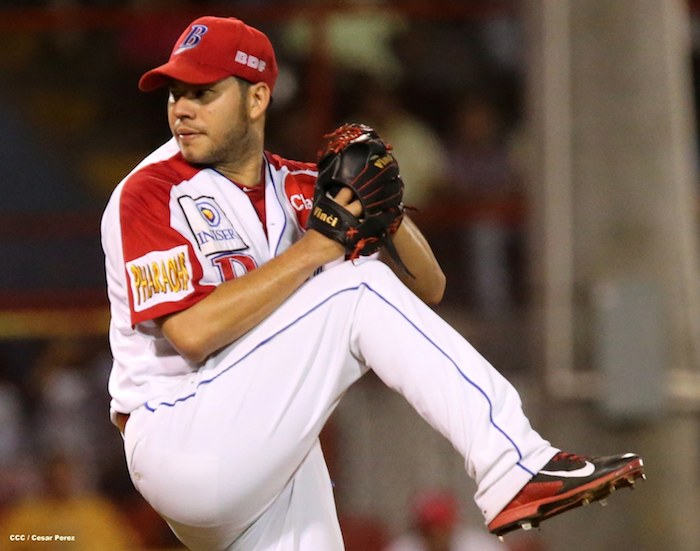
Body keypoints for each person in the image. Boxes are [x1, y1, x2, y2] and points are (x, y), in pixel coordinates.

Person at [100, 15, 645, 551]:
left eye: (203, 92)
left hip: (263, 449)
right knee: (357, 285)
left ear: (257, 98)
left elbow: (428, 287)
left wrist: (388, 206)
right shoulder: (150, 191)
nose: (182, 108)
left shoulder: (298, 186)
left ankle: (515, 466)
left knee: (362, 285)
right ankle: (513, 464)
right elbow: (192, 334)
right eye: (175, 93)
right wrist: (318, 247)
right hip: (180, 434)